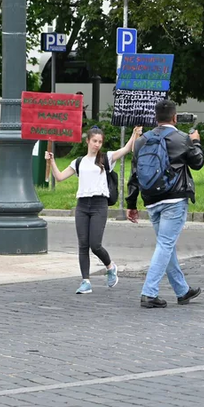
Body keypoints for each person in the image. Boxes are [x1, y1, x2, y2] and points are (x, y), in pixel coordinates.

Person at [47, 125, 140, 294]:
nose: (97, 144)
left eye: (100, 142)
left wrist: (134, 134)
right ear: (87, 141)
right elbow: (59, 177)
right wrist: (51, 161)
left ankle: (110, 267)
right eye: (94, 141)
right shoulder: (79, 162)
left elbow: (126, 149)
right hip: (82, 205)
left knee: (95, 244)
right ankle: (85, 281)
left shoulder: (106, 159)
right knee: (83, 245)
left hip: (99, 205)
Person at [129, 99, 204, 309]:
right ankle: (149, 292)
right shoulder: (182, 138)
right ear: (175, 117)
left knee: (166, 245)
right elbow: (198, 163)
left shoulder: (142, 140)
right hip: (174, 199)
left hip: (151, 200)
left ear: (155, 118)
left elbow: (134, 174)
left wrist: (131, 203)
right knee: (165, 245)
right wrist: (196, 141)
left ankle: (182, 291)